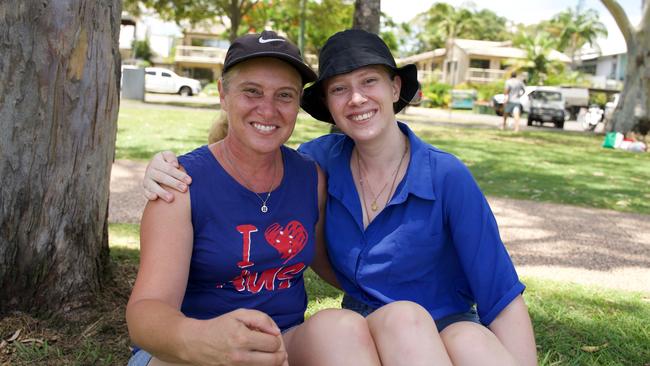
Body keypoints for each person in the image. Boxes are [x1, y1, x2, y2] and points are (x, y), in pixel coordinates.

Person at [143, 29, 538, 365]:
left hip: (440, 326)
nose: (356, 99)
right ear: (328, 105)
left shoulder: (444, 176)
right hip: (369, 330)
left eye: (370, 82)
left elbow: (500, 292)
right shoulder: (318, 164)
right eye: (339, 89)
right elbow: (243, 151)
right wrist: (164, 165)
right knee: (365, 324)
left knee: (465, 341)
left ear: (395, 87)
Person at [126, 30, 389, 366]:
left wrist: (407, 285)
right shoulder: (180, 184)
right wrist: (200, 340)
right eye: (252, 92)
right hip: (188, 352)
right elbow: (145, 313)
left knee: (343, 327)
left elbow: (329, 261)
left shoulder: (310, 177)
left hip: (282, 344)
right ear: (223, 94)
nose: (268, 110)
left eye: (284, 96)